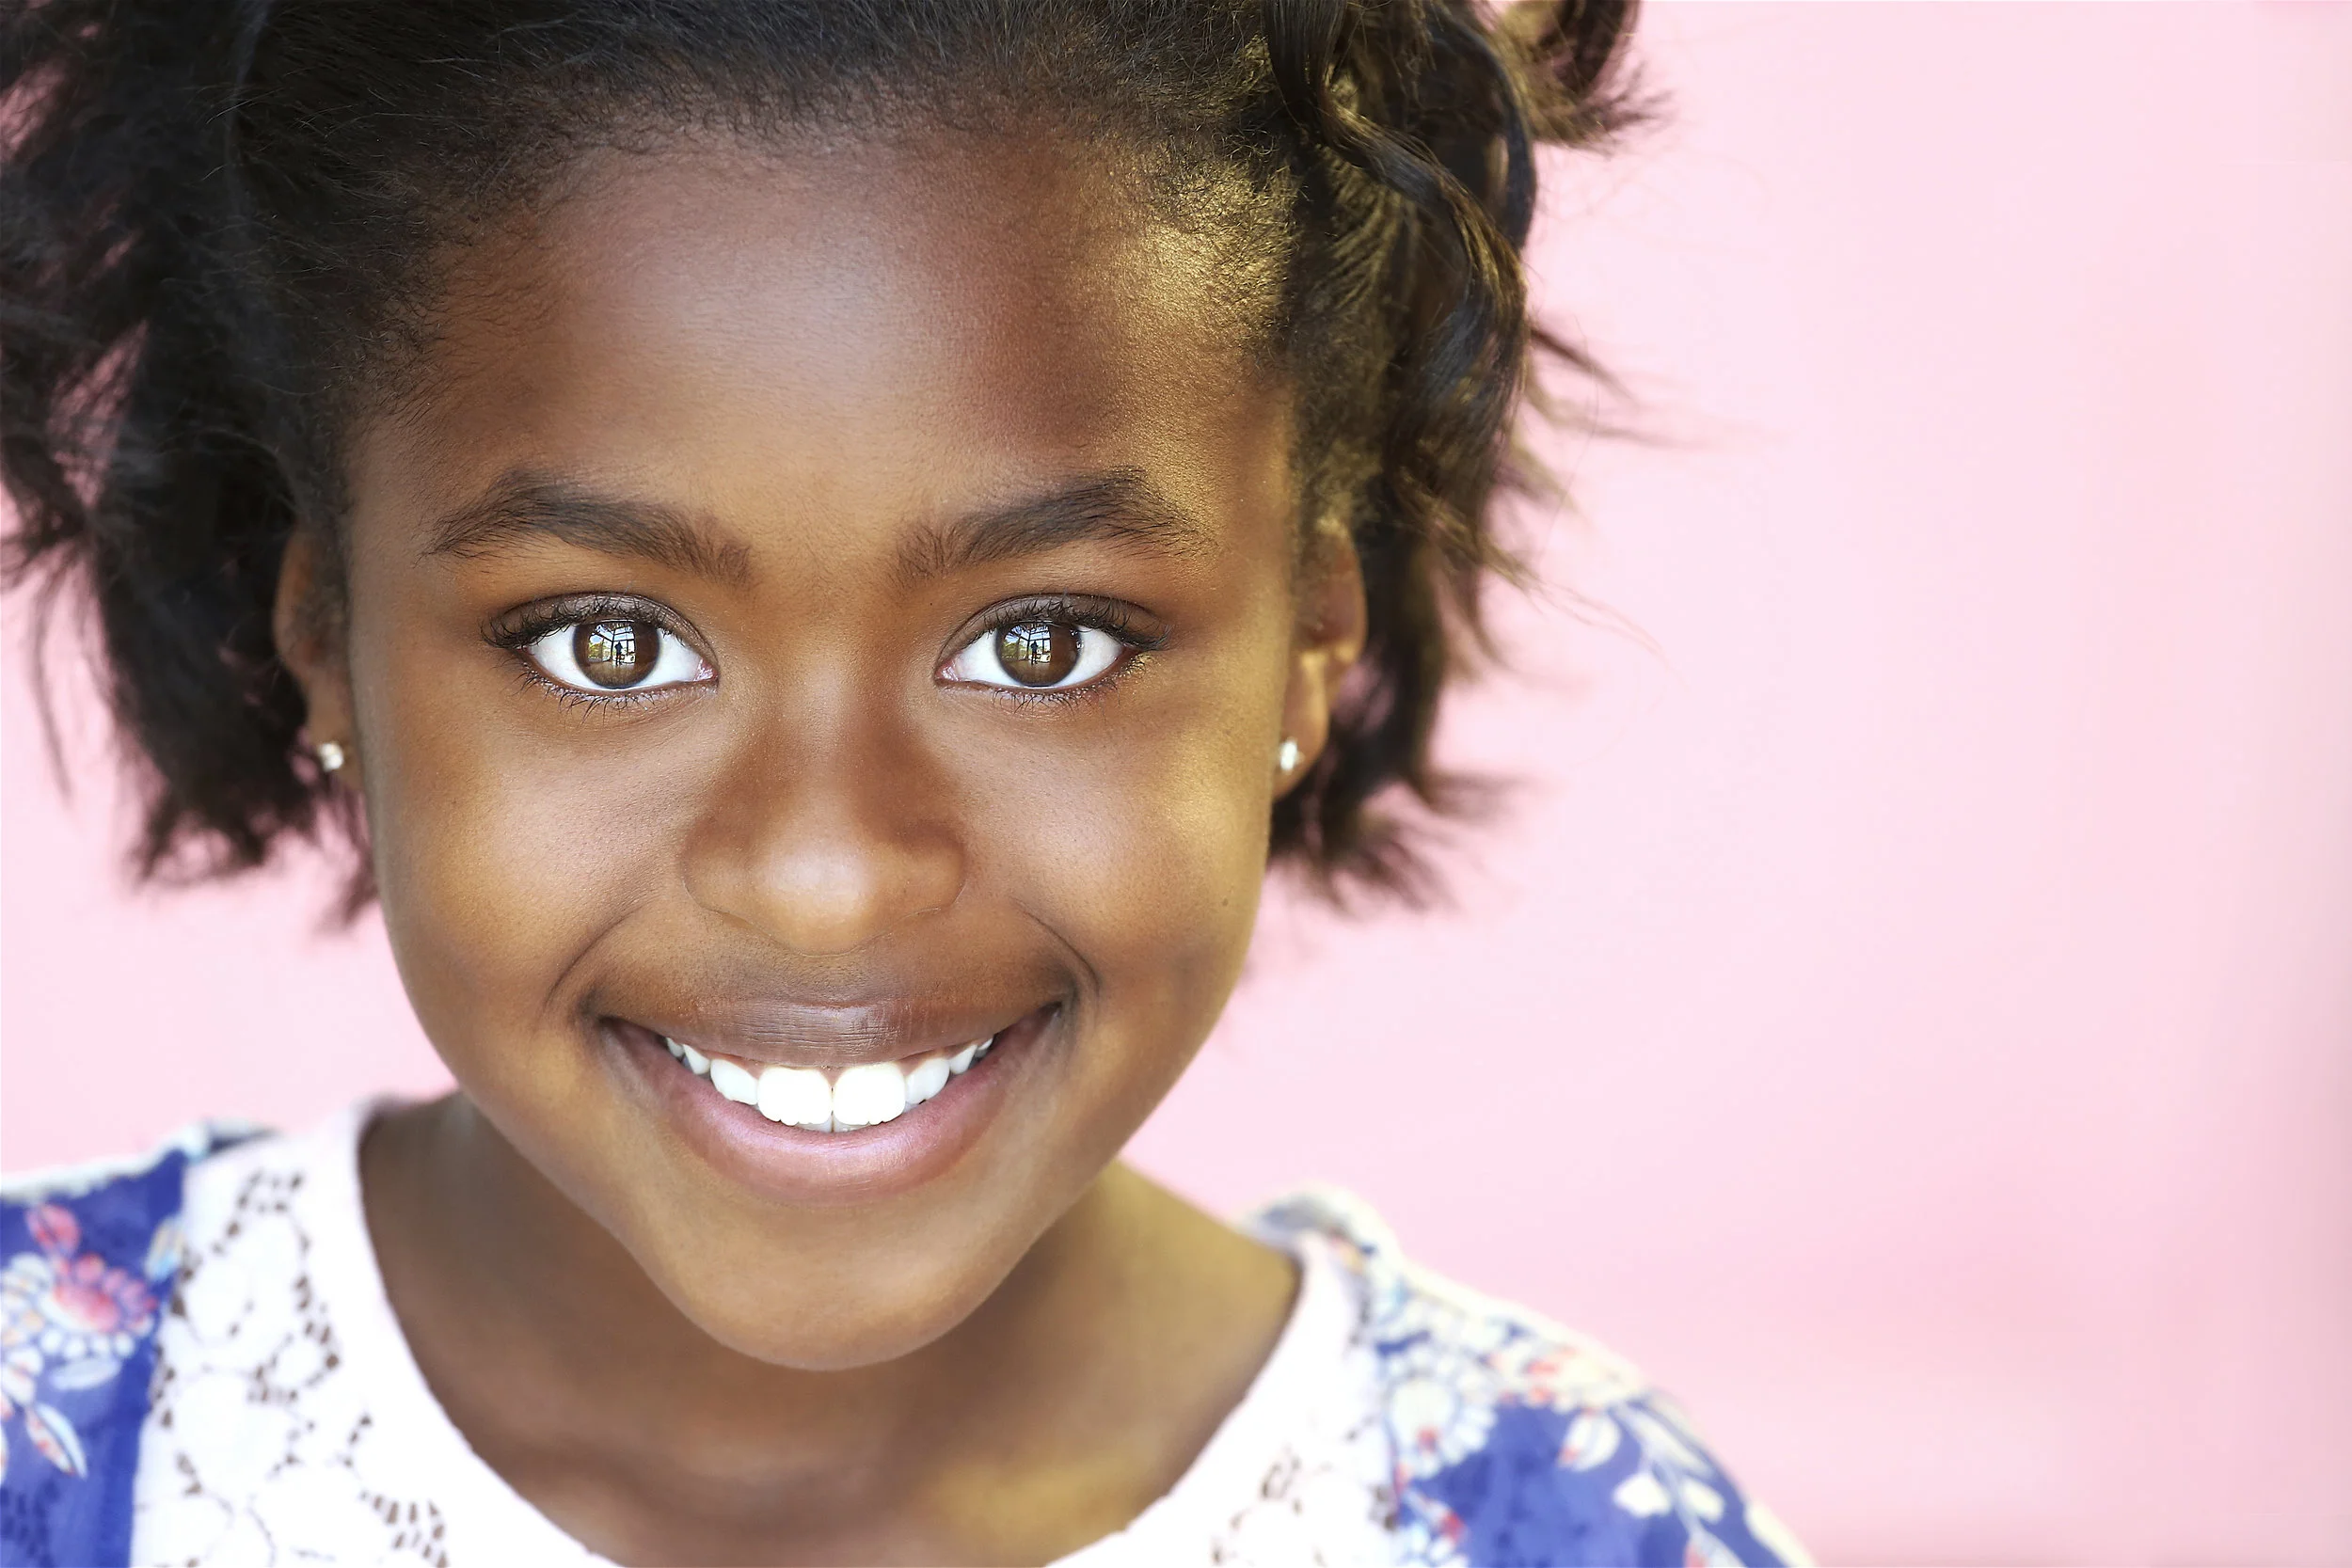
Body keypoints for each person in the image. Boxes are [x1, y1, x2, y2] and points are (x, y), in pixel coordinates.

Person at [0, 1, 1807, 1562]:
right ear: (326, 631)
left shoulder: (1562, 1527)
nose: (828, 875)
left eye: (1044, 644)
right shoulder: (52, 1443)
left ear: (1308, 646)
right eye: (608, 645)